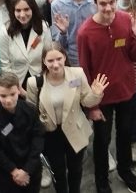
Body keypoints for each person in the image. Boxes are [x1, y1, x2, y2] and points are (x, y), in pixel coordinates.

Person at [78, 0, 136, 193]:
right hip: (101, 98)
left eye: (111, 2)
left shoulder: (126, 20)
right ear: (94, 3)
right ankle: (101, 180)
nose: (108, 8)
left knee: (125, 134)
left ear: (116, 0)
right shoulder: (85, 33)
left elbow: (133, 56)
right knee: (102, 140)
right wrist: (91, 106)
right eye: (102, 3)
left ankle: (125, 171)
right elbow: (84, 71)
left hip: (126, 91)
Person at [26, 42, 106, 193]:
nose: (55, 64)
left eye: (59, 59)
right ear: (43, 61)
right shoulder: (34, 83)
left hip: (74, 129)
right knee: (58, 171)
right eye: (50, 61)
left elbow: (86, 101)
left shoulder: (77, 74)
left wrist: (95, 93)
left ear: (64, 57)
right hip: (50, 133)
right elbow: (31, 114)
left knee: (75, 168)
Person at [0, 71, 46, 193]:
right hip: (7, 173)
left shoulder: (30, 110)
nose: (8, 100)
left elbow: (38, 138)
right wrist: (14, 171)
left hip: (32, 168)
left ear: (18, 90)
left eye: (12, 94)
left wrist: (27, 169)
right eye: (3, 96)